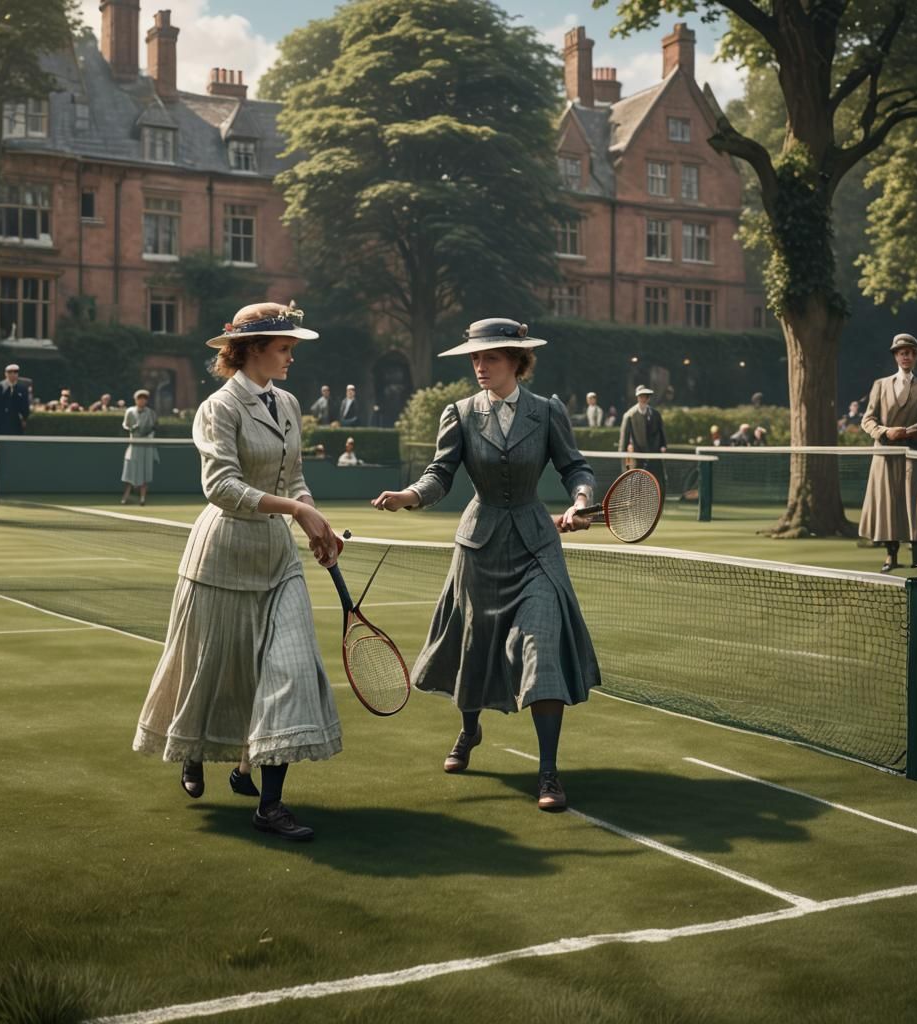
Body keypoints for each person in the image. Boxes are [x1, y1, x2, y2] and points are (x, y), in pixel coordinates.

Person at [370, 317, 600, 812]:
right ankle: (469, 730)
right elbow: (440, 473)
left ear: (517, 361)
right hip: (478, 548)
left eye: (489, 357)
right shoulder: (459, 413)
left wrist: (580, 501)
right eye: (475, 357)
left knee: (541, 644)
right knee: (473, 648)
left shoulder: (547, 411)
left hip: (537, 549)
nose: (479, 365)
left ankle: (548, 772)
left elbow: (575, 466)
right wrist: (410, 495)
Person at [133, 301, 342, 841]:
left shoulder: (289, 403)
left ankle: (269, 805)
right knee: (213, 672)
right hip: (221, 557)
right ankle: (194, 752)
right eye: (283, 348)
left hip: (278, 561)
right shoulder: (218, 408)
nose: (291, 358)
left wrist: (315, 522)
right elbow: (221, 487)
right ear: (249, 350)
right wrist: (297, 511)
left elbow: (293, 477)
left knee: (291, 670)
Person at [859, 333, 917, 571]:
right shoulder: (880, 385)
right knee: (887, 504)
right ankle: (890, 556)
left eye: (910, 352)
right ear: (896, 356)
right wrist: (886, 432)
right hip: (885, 454)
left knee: (915, 504)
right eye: (901, 352)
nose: (906, 356)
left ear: (915, 357)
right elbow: (868, 420)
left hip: (915, 454)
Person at [619, 385, 668, 493]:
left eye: (646, 396)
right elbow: (623, 441)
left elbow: (661, 432)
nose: (643, 399)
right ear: (637, 397)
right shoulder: (629, 415)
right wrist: (624, 462)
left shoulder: (655, 414)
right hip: (637, 455)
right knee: (636, 484)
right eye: (641, 396)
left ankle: (658, 506)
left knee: (659, 482)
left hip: (654, 455)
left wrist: (663, 446)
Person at [121, 389, 158, 505]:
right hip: (133, 446)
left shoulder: (151, 413)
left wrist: (148, 432)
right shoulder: (130, 411)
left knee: (144, 473)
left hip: (146, 446)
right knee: (129, 473)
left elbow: (154, 427)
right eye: (139, 398)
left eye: (144, 398)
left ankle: (142, 499)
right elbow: (125, 425)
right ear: (136, 400)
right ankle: (125, 498)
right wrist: (132, 428)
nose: (142, 401)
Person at [0, 363, 30, 435]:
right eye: (10, 372)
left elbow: (25, 405)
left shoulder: (22, 389)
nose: (12, 375)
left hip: (16, 422)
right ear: (5, 374)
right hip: (1, 421)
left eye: (15, 372)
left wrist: (24, 418)